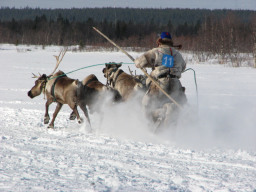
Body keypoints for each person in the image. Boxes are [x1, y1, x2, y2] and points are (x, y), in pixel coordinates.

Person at [134, 32, 187, 130]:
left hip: (160, 84)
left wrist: (137, 62)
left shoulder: (156, 51)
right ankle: (169, 117)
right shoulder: (177, 54)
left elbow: (140, 62)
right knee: (174, 102)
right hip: (175, 84)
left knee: (146, 105)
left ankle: (157, 116)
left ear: (159, 41)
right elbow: (183, 67)